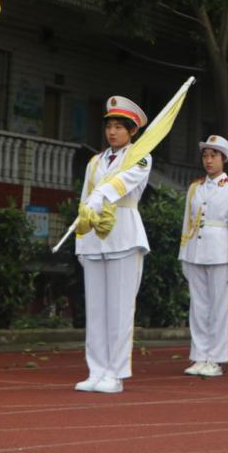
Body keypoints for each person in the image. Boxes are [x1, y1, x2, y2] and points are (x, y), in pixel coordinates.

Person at [74, 96, 152, 394]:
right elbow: (85, 202)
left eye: (120, 127)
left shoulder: (141, 157)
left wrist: (101, 194)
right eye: (109, 126)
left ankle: (116, 374)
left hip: (124, 235)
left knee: (120, 309)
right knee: (95, 311)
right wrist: (81, 240)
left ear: (132, 131)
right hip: (94, 239)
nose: (112, 132)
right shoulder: (95, 161)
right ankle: (96, 370)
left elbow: (125, 183)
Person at [179, 135, 228, 378]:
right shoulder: (195, 187)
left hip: (220, 252)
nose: (208, 160)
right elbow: (188, 222)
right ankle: (199, 355)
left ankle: (215, 358)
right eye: (205, 156)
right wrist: (183, 254)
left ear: (224, 159)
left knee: (218, 307)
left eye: (213, 156)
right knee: (198, 307)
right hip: (196, 251)